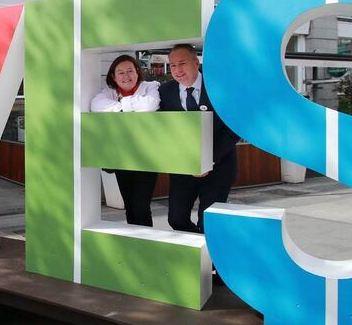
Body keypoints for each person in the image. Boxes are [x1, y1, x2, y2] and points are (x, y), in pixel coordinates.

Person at [159, 44, 240, 233]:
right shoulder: (165, 91)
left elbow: (233, 127)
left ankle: (212, 260)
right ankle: (197, 251)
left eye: (182, 64)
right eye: (172, 65)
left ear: (196, 63)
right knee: (176, 219)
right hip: (184, 168)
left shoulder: (219, 87)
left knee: (209, 223)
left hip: (218, 167)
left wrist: (207, 161)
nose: (177, 70)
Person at [89, 54, 161, 227]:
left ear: (137, 72)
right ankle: (135, 244)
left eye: (130, 70)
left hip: (147, 158)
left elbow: (150, 104)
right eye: (120, 72)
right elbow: (96, 105)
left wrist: (120, 107)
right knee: (129, 206)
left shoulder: (150, 86)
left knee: (141, 206)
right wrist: (129, 107)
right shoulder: (108, 93)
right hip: (122, 157)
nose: (126, 75)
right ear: (113, 76)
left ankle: (146, 242)